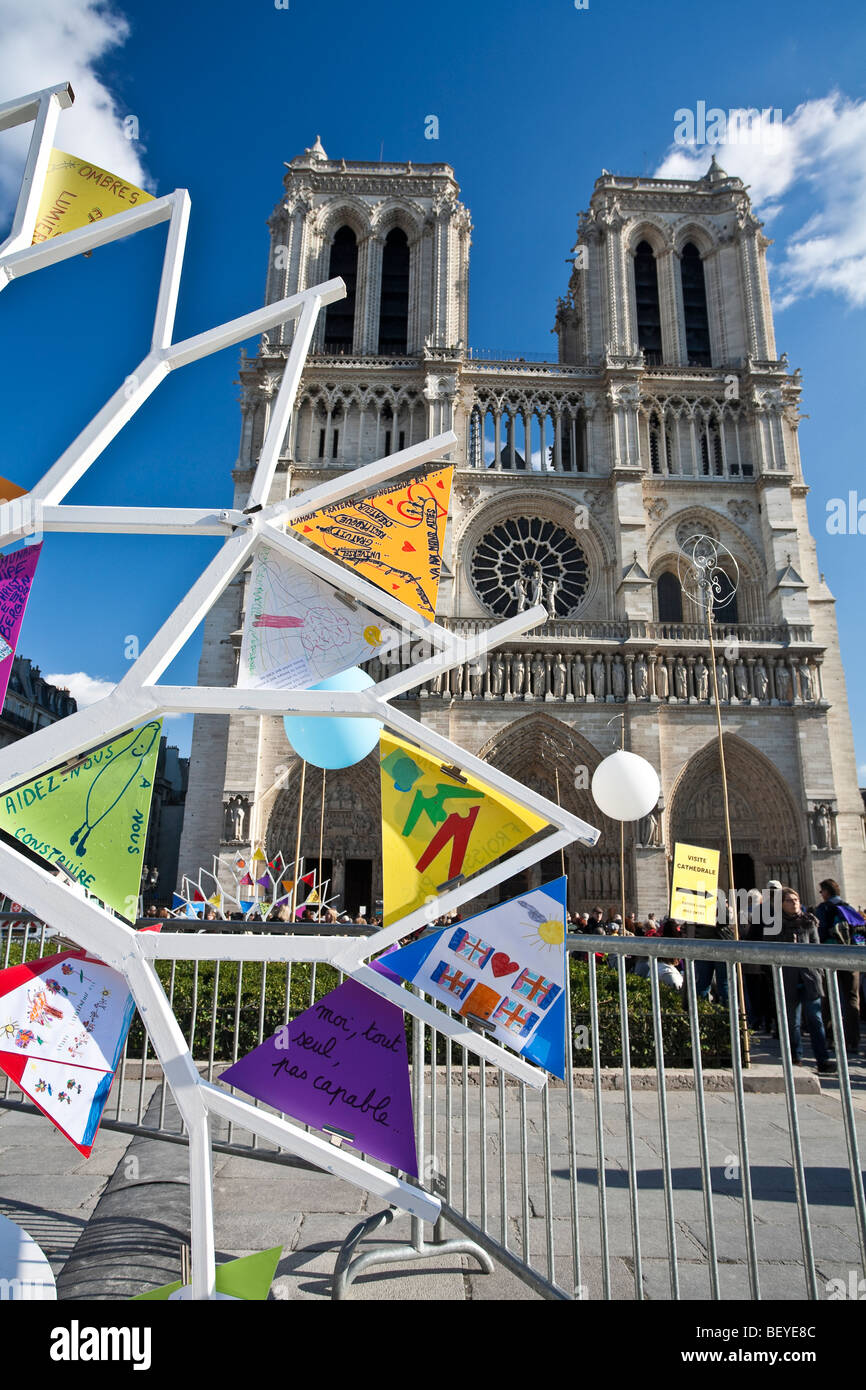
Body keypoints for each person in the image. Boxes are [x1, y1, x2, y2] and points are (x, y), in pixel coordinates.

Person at [778, 887, 836, 1075]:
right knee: (793, 1022)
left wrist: (818, 973)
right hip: (788, 977)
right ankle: (796, 1058)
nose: (794, 903)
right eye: (789, 900)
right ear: (780, 904)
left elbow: (817, 947)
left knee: (815, 1019)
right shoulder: (775, 924)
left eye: (796, 899)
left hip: (810, 977)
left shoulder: (810, 921)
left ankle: (823, 1060)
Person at [812, 878, 862, 1058]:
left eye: (821, 891)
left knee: (827, 997)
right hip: (850, 959)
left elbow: (818, 934)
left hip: (829, 958)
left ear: (826, 891)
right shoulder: (848, 908)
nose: (821, 895)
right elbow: (860, 933)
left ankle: (830, 1038)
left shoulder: (823, 909)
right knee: (852, 998)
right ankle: (853, 1040)